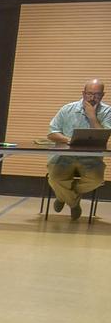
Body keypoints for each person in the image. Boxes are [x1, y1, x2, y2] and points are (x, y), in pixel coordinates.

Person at [46, 79, 110, 219]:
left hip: (91, 159)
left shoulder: (107, 111)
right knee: (55, 179)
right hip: (63, 157)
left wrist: (92, 116)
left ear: (103, 95)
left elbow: (104, 136)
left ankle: (63, 196)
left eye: (97, 95)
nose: (92, 98)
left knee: (96, 180)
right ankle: (74, 203)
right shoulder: (67, 109)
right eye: (89, 94)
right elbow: (52, 133)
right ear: (83, 93)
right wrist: (68, 140)